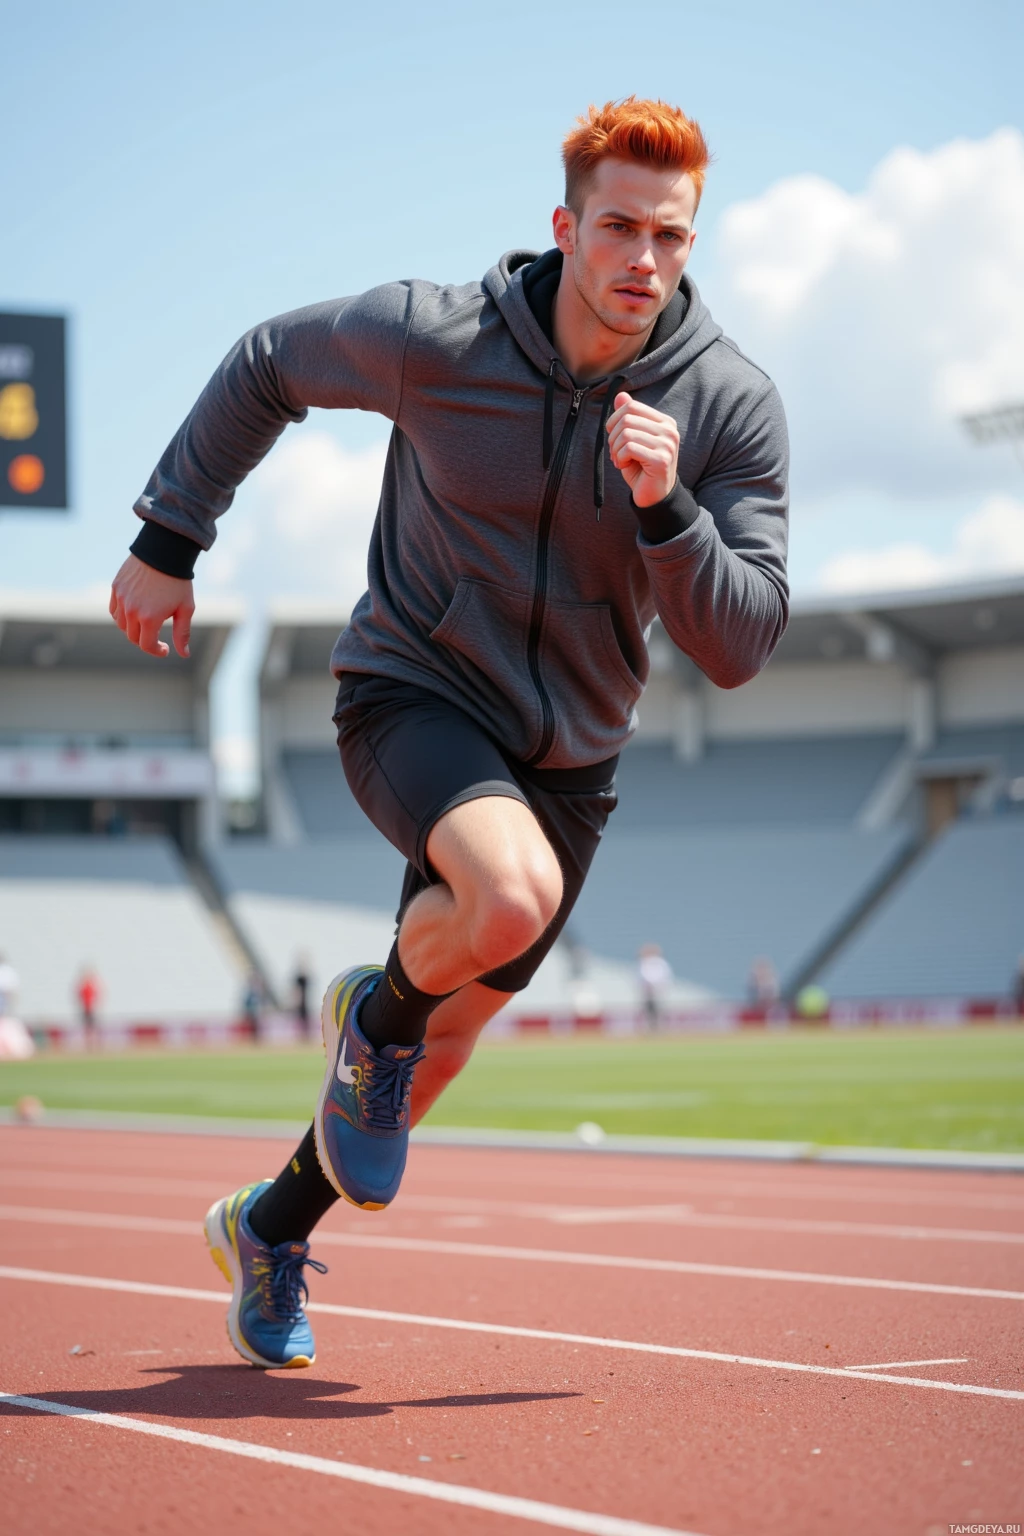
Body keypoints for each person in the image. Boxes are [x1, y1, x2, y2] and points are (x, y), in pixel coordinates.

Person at [109, 97, 789, 1369]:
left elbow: (740, 645)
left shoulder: (726, 403)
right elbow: (267, 358)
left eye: (672, 236)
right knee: (508, 897)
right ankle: (377, 1010)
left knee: (438, 1051)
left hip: (571, 757)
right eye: (618, 229)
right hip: (413, 691)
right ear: (565, 227)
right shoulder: (438, 336)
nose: (643, 261)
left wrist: (668, 508)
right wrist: (167, 537)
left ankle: (267, 1226)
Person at [637, 942, 673, 1030]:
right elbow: (641, 978)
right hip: (648, 992)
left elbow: (664, 976)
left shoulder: (660, 963)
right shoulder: (644, 963)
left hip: (658, 991)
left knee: (659, 1010)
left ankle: (659, 1027)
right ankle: (651, 1028)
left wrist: (659, 986)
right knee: (649, 1011)